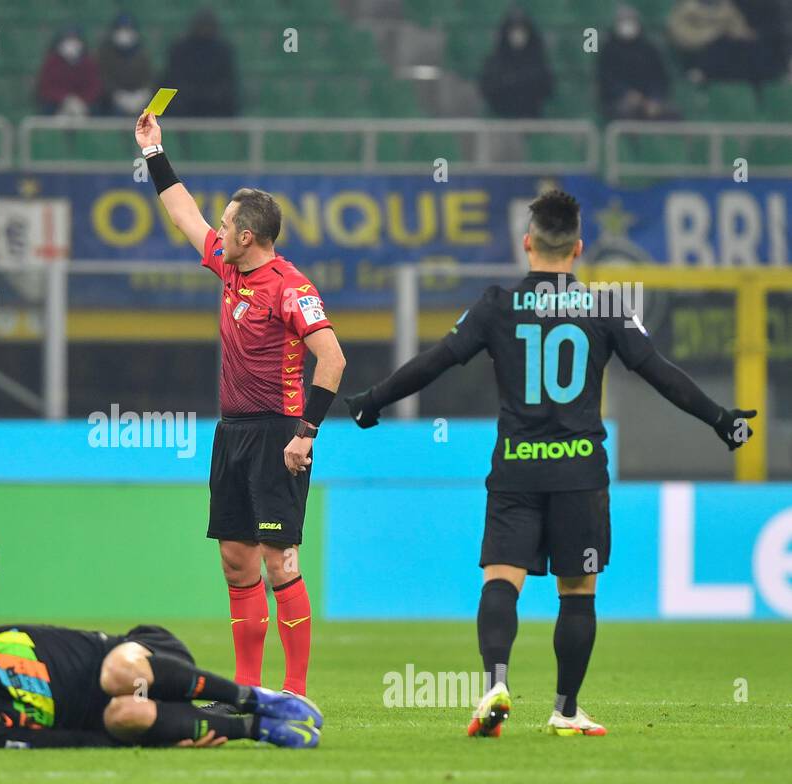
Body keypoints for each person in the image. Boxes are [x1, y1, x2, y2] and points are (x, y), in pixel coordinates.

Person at [344, 190, 756, 739]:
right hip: (579, 472)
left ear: (527, 243)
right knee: (577, 592)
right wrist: (722, 420)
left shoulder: (496, 304)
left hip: (516, 467)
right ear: (579, 248)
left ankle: (495, 682)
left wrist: (373, 400)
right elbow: (660, 373)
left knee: (501, 579)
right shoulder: (606, 308)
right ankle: (565, 709)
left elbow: (434, 362)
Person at [134, 109, 347, 698]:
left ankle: (296, 692)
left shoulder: (291, 287)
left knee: (281, 562)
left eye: (226, 225)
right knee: (236, 560)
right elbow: (180, 210)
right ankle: (248, 691)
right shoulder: (229, 272)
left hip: (279, 434)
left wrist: (306, 434)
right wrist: (154, 152)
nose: (217, 231)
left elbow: (333, 360)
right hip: (232, 434)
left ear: (247, 236)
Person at [0, 623, 324, 749]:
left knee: (115, 676)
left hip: (140, 654)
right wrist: (156, 736)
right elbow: (69, 740)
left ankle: (254, 698)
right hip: (126, 704)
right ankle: (259, 730)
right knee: (122, 716)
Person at [598, 6, 680, 120]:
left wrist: (654, 99)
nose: (627, 26)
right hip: (618, 101)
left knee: (672, 114)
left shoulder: (649, 48)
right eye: (623, 21)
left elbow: (660, 78)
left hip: (649, 101)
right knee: (625, 113)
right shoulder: (609, 49)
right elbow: (606, 80)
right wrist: (625, 94)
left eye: (630, 20)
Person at [478, 8, 552, 118]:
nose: (517, 36)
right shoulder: (495, 62)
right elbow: (488, 88)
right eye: (513, 32)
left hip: (532, 119)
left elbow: (546, 88)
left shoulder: (537, 61)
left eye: (521, 32)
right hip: (501, 118)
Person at [162, 9, 238, 117]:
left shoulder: (223, 51)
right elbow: (172, 78)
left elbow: (227, 81)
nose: (204, 30)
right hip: (185, 103)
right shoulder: (179, 49)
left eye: (207, 26)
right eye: (202, 25)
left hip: (216, 103)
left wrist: (211, 94)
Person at [35, 27, 101, 117]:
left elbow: (94, 88)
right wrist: (66, 100)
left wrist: (80, 101)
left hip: (83, 105)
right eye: (68, 41)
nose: (71, 45)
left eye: (74, 40)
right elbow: (45, 88)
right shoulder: (52, 62)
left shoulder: (88, 63)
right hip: (56, 104)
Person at [96, 13, 152, 117]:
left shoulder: (142, 54)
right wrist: (119, 96)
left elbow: (149, 78)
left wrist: (142, 94)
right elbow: (103, 78)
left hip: (139, 99)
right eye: (121, 29)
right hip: (112, 101)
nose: (124, 33)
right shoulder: (105, 53)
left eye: (128, 29)